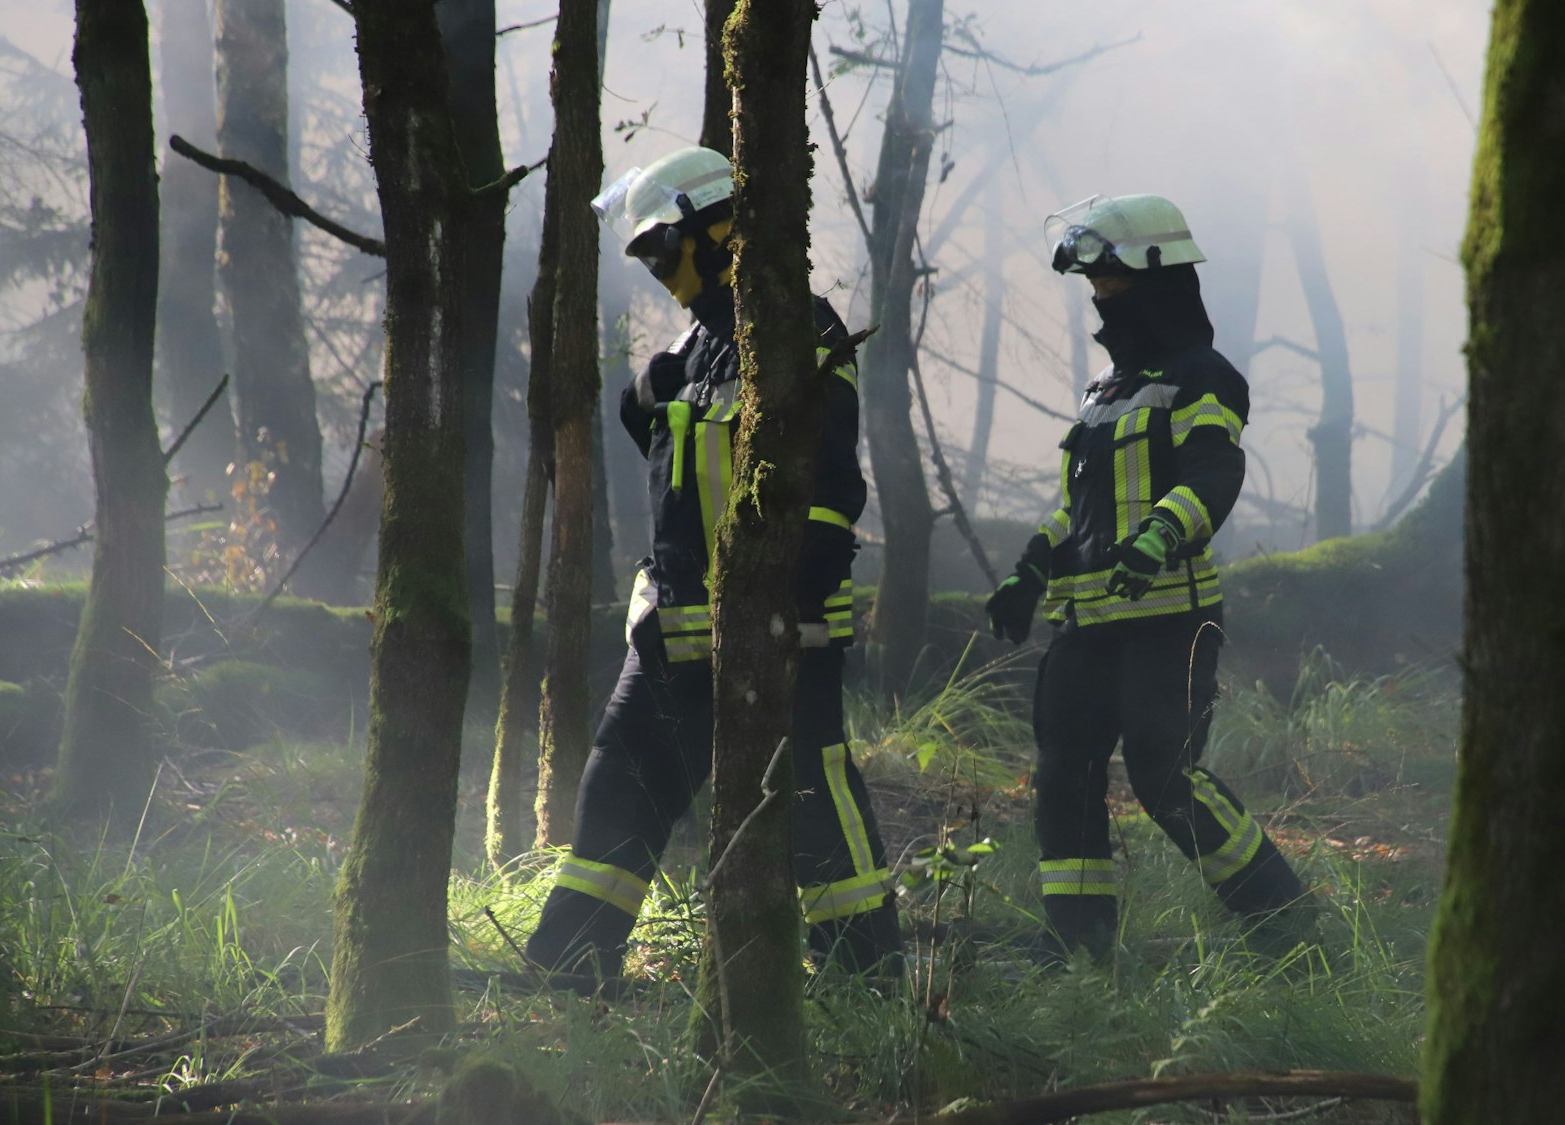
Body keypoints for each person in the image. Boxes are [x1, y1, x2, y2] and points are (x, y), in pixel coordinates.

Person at [524, 145, 902, 981]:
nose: (660, 270)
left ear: (720, 233)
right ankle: (569, 964)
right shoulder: (690, 356)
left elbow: (835, 482)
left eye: (665, 247)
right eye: (647, 255)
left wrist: (795, 597)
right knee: (618, 781)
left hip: (778, 632)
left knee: (814, 798)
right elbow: (666, 453)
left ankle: (867, 974)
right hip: (674, 631)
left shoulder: (798, 332)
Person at [985, 194, 1310, 961]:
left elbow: (1212, 472)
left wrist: (1160, 535)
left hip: (1170, 622)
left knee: (1165, 778)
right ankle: (1078, 945)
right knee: (1063, 773)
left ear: (1159, 278)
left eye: (1112, 281)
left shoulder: (1205, 377)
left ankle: (1283, 918)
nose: (1099, 297)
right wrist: (1032, 568)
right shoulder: (1105, 389)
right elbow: (1081, 509)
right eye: (1093, 283)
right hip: (1088, 625)